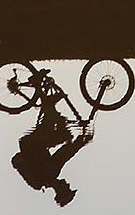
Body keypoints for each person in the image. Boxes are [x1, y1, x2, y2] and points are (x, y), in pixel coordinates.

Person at [10, 75, 93, 206]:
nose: (67, 184)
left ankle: (41, 91)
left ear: (60, 191)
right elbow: (63, 154)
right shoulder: (46, 178)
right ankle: (45, 98)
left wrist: (80, 143)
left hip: (32, 144)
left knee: (53, 122)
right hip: (35, 144)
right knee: (63, 134)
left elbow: (63, 155)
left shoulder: (47, 176)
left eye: (67, 188)